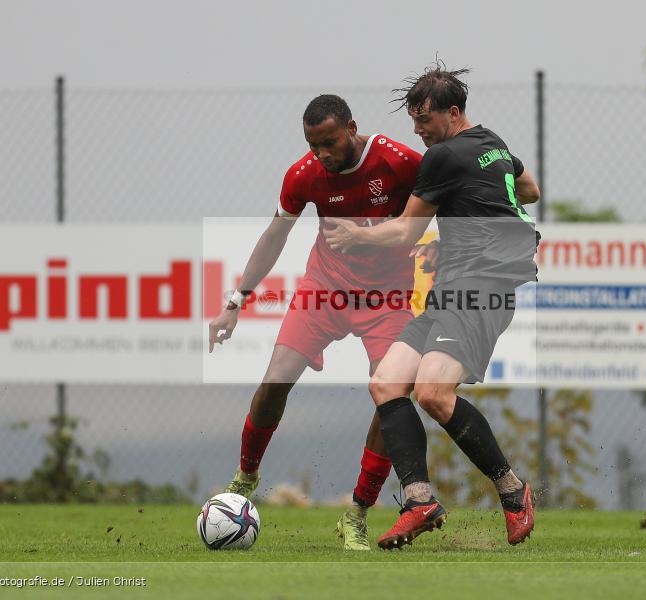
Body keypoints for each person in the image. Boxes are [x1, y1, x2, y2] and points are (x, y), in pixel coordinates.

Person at [323, 65, 541, 549]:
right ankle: (419, 500)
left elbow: (405, 230)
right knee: (386, 383)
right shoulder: (492, 143)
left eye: (425, 120)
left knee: (434, 394)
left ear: (453, 112)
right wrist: (464, 233)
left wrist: (358, 234)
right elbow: (528, 190)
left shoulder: (442, 156)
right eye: (414, 121)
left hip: (480, 289)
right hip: (455, 287)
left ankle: (512, 490)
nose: (419, 130)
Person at [208, 94, 426, 550]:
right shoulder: (303, 175)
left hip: (387, 299)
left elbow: (446, 197)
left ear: (352, 128)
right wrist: (236, 300)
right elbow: (275, 235)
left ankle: (357, 514)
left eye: (329, 143)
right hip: (324, 290)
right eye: (313, 146)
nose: (322, 154)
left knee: (392, 397)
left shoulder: (398, 161)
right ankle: (245, 478)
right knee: (275, 380)